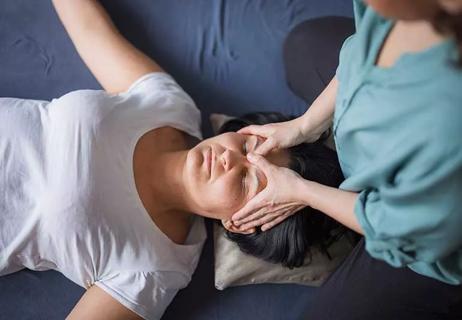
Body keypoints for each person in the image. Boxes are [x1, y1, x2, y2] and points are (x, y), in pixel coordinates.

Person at [0, 1, 348, 319]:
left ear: (239, 223)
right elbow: (91, 31)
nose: (229, 158)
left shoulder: (154, 268)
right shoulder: (171, 106)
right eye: (246, 148)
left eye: (245, 181)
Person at [231, 0, 462, 318]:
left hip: (431, 241)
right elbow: (358, 50)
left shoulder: (446, 127)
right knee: (302, 48)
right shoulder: (393, 11)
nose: (225, 160)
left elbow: (398, 231)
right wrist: (305, 124)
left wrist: (305, 192)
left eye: (247, 178)